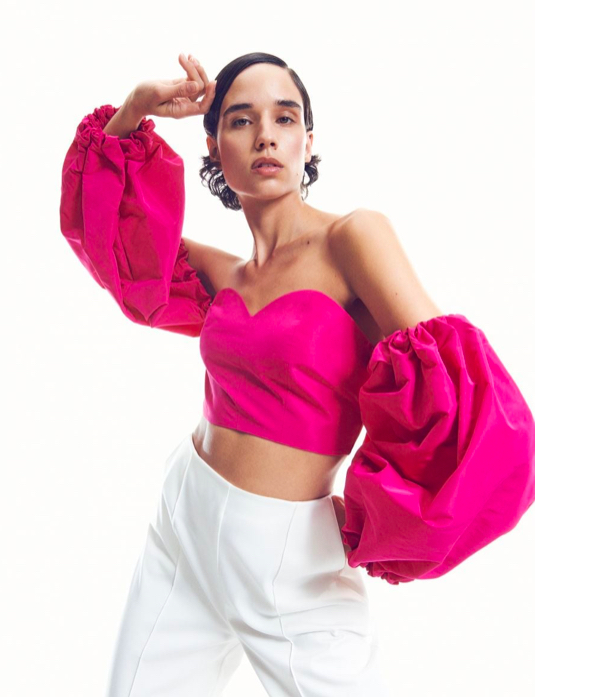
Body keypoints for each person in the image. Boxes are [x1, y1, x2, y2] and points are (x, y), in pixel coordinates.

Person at [59, 51, 535, 697]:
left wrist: (385, 512)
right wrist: (136, 109)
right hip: (184, 519)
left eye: (285, 118)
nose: (266, 136)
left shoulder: (353, 238)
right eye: (240, 119)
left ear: (307, 141)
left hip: (287, 553)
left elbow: (455, 387)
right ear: (213, 145)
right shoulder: (226, 274)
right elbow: (113, 235)